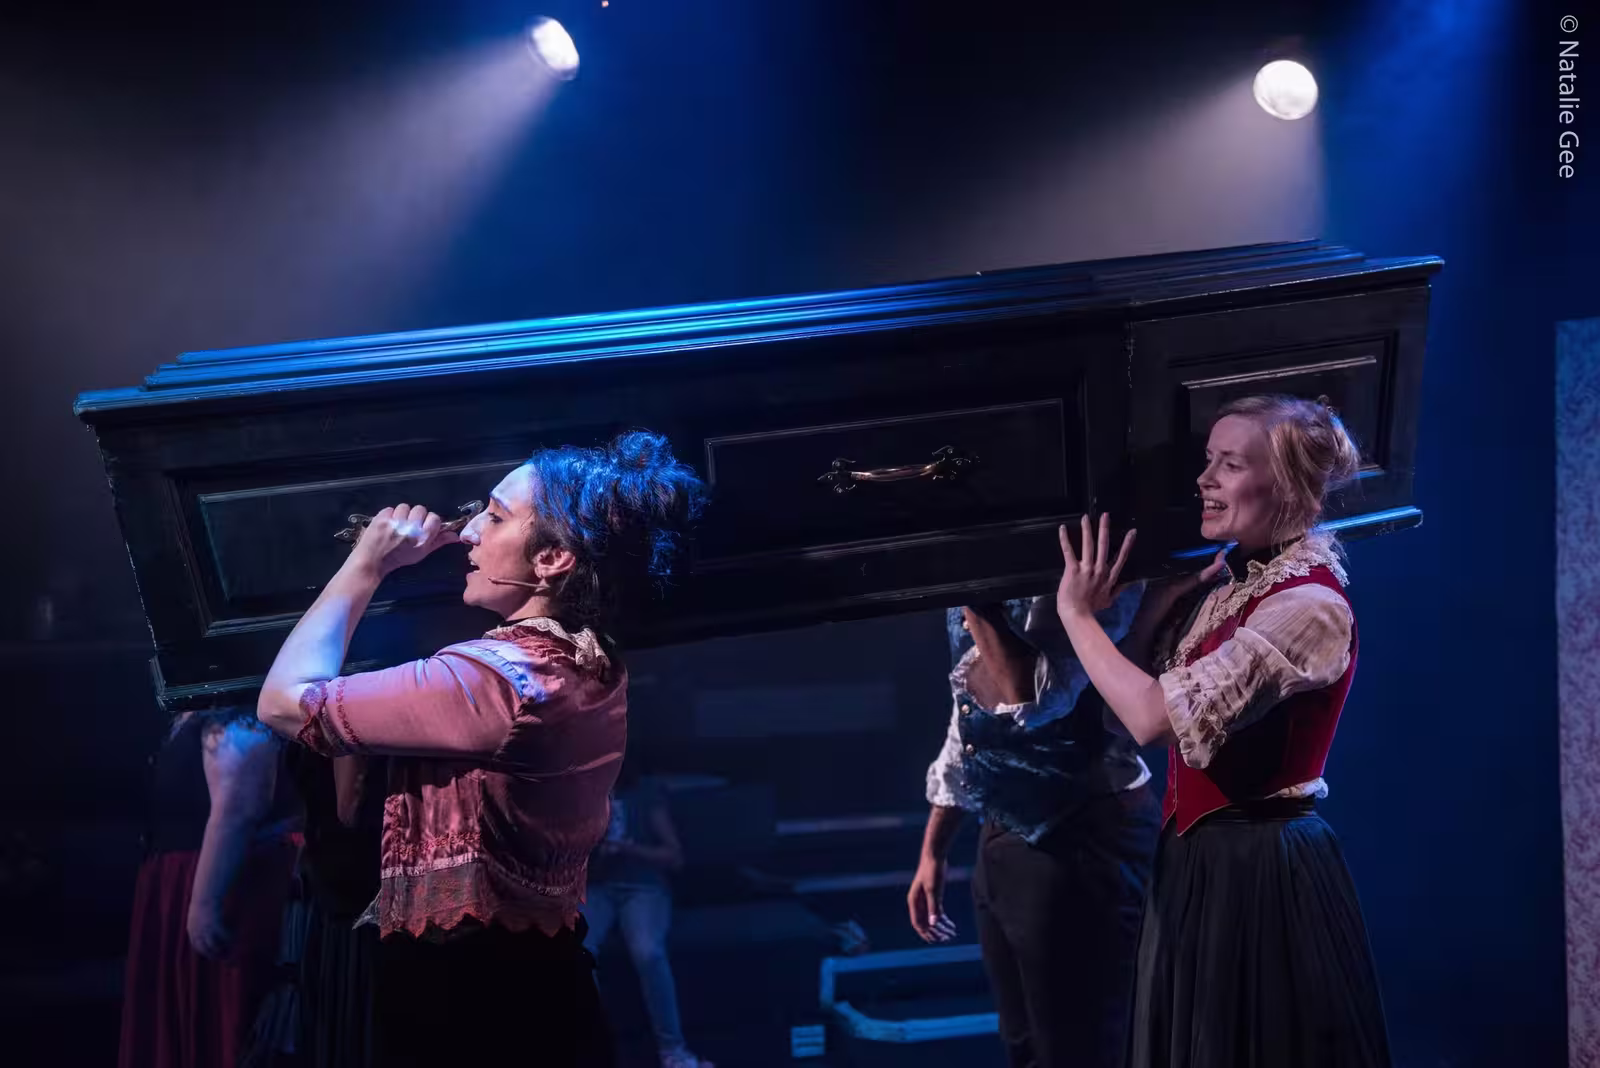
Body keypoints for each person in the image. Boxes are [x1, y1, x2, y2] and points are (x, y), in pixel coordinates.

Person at [256, 430, 705, 1068]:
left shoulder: (495, 682)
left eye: (493, 517)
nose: (467, 533)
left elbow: (282, 703)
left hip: (474, 1001)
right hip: (539, 980)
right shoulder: (590, 660)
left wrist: (366, 564)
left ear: (552, 558)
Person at [1053, 394, 1391, 1068]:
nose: (1204, 480)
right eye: (1209, 461)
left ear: (1288, 485)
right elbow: (1128, 706)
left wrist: (1077, 615)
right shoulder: (1232, 590)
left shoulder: (1308, 606)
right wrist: (1154, 609)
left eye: (1230, 465)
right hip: (1197, 862)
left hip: (1262, 869)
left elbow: (1153, 717)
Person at [908, 588, 1163, 1068]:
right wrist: (934, 849)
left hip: (1083, 835)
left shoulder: (1093, 576)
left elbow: (1029, 696)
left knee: (1083, 1049)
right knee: (1022, 1044)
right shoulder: (979, 587)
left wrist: (971, 590)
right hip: (1006, 832)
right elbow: (967, 717)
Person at [118, 709, 299, 1068]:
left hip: (222, 882)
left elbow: (238, 804)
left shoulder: (231, 708)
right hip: (179, 881)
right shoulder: (196, 708)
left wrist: (204, 903)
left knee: (218, 1023)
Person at [584, 760, 714, 1068]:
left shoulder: (646, 792)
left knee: (648, 952)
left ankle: (673, 1051)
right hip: (598, 887)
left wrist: (629, 849)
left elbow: (674, 857)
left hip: (642, 887)